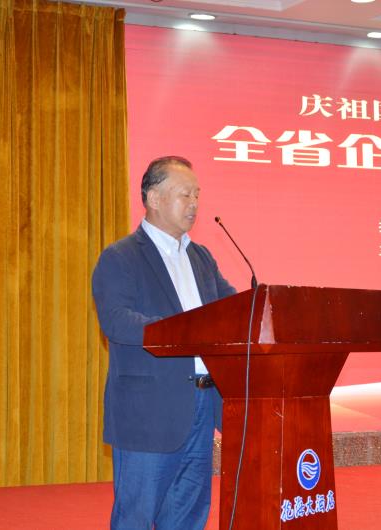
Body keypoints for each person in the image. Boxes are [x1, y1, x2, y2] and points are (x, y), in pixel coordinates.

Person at [92, 156, 236, 529]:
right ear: (154, 198)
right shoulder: (120, 257)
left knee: (188, 515)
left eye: (197, 194)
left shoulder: (200, 257)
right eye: (184, 194)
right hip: (149, 410)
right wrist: (184, 330)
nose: (194, 203)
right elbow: (117, 321)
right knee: (136, 517)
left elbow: (232, 309)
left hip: (202, 402)